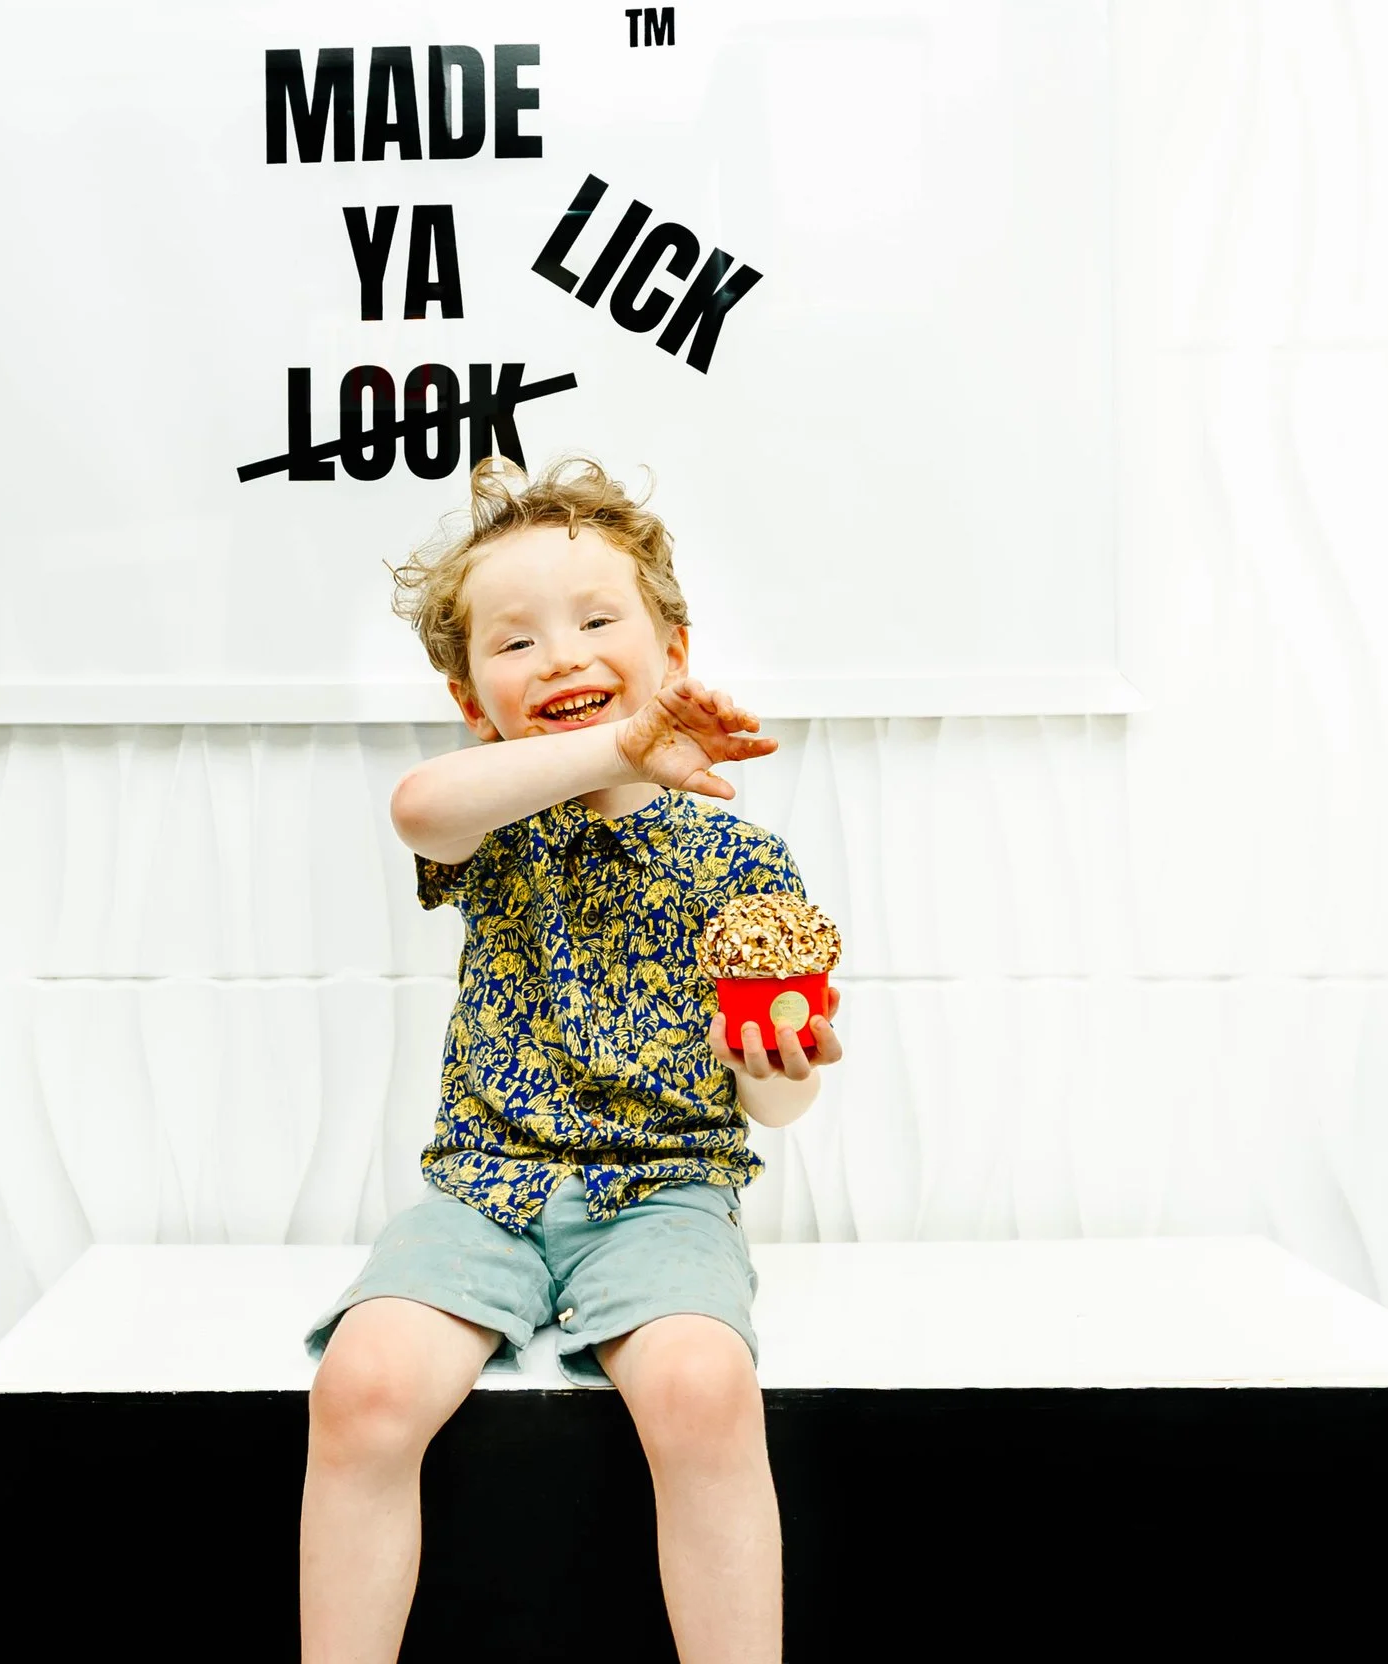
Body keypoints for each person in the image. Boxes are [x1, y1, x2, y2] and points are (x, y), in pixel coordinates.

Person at [296, 454, 845, 1663]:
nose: (559, 655)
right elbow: (419, 806)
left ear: (673, 650)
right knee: (364, 1384)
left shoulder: (739, 858)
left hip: (663, 1193)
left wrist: (781, 1059)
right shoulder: (493, 821)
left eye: (597, 621)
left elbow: (778, 1103)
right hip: (482, 1189)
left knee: (703, 1387)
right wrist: (621, 748)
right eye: (516, 640)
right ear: (469, 697)